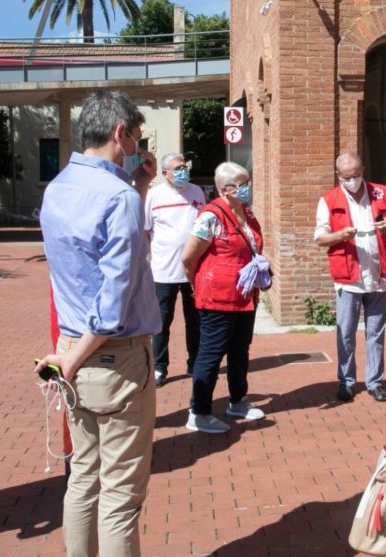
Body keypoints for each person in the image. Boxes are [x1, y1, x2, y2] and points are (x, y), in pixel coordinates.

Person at [34, 90, 160, 557]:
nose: (137, 148)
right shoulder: (117, 196)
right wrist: (75, 359)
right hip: (114, 356)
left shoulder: (58, 187)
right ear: (119, 133)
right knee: (120, 496)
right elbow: (112, 300)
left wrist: (70, 357)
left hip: (73, 344)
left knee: (84, 477)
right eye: (137, 138)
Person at [180, 162, 268, 434]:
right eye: (242, 183)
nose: (247, 188)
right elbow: (188, 258)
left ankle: (238, 401)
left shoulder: (246, 211)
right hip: (218, 297)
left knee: (240, 351)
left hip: (244, 296)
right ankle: (199, 412)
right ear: (224, 188)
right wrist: (197, 283)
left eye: (247, 182)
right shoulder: (211, 216)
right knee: (211, 353)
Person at [314, 152, 386, 402]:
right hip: (348, 277)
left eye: (355, 175)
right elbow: (319, 238)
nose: (351, 180)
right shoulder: (329, 200)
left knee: (375, 333)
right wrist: (340, 235)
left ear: (362, 170)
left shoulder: (380, 192)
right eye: (346, 177)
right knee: (346, 332)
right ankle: (346, 381)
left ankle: (375, 382)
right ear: (338, 175)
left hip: (378, 274)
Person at [145, 152, 205, 387]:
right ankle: (159, 367)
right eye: (178, 168)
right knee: (161, 322)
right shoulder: (154, 196)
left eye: (184, 167)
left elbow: (204, 226)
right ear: (165, 173)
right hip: (163, 271)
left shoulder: (196, 192)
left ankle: (195, 363)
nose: (183, 171)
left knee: (195, 320)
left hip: (192, 270)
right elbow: (145, 230)